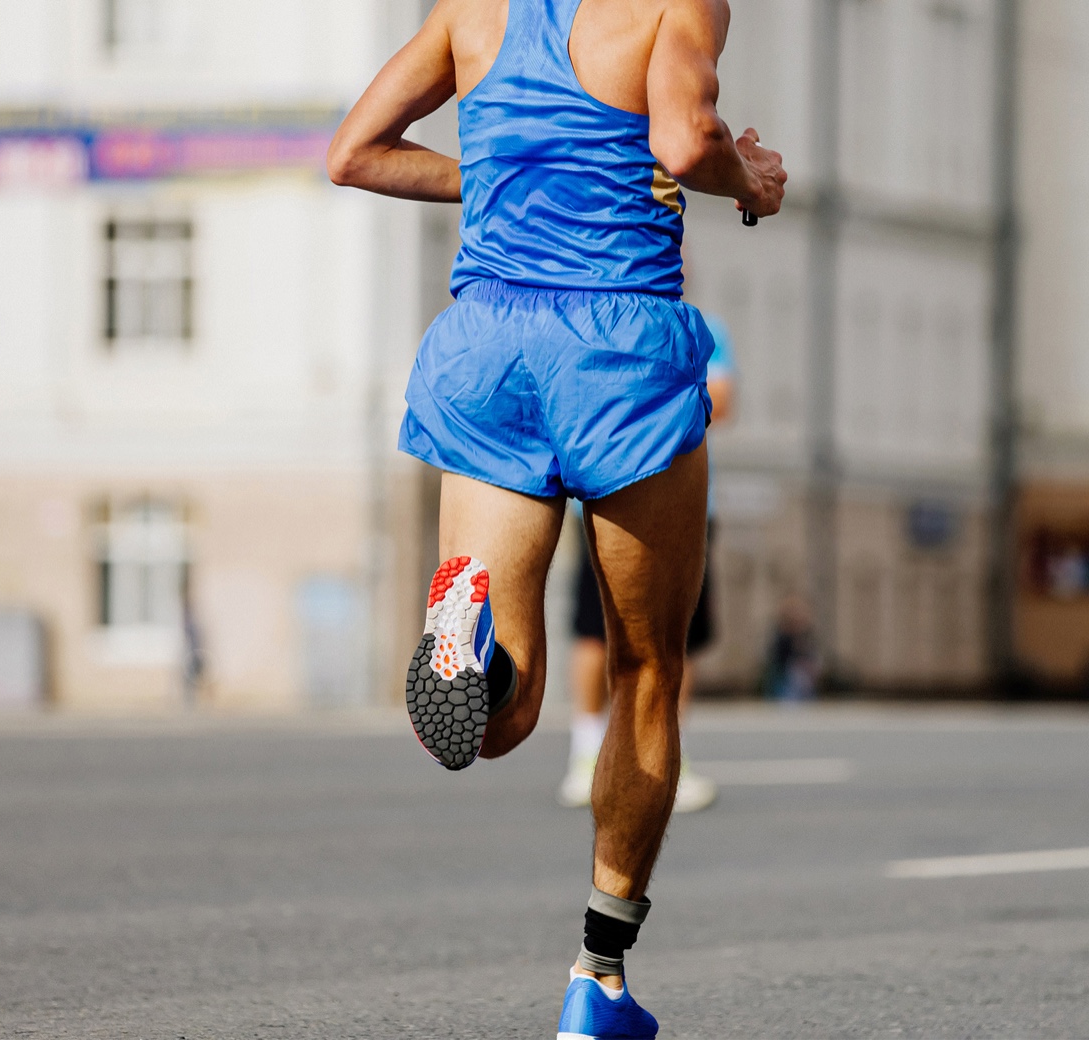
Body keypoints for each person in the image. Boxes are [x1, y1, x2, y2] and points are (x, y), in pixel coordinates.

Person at [326, 0, 786, 1035]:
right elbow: (682, 138)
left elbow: (354, 153)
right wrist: (747, 180)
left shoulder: (471, 11)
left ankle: (465, 631)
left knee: (508, 715)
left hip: (485, 348)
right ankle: (600, 978)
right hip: (618, 350)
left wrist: (494, 173)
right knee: (647, 668)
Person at [558, 312, 738, 812]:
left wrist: (640, 397)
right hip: (604, 496)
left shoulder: (700, 325)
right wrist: (671, 393)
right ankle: (587, 755)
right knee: (595, 630)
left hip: (686, 503)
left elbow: (722, 401)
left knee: (677, 635)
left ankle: (665, 761)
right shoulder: (595, 318)